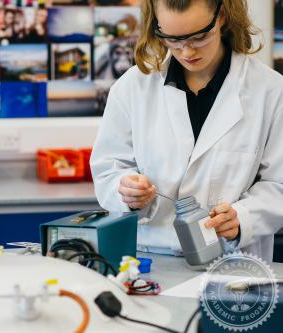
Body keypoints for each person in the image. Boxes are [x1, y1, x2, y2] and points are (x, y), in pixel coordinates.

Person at [90, 0, 283, 262]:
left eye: (199, 37)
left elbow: (278, 183)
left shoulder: (270, 91)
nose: (186, 50)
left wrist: (244, 217)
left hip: (232, 261)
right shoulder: (133, 87)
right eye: (171, 38)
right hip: (150, 259)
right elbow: (109, 168)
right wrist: (126, 191)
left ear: (222, 16)